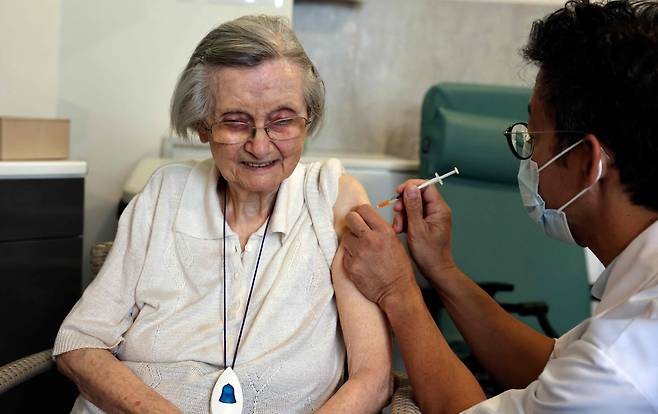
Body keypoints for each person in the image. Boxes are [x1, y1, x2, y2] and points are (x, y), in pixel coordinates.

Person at [53, 15, 392, 414]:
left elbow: (373, 378)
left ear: (308, 119)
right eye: (235, 122)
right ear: (202, 125)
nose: (261, 146)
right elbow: (78, 341)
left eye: (282, 121)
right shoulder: (166, 193)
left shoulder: (333, 197)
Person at [342, 1, 658, 413]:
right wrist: (442, 270)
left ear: (586, 162)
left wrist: (396, 291)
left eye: (533, 135)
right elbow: (550, 365)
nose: (527, 155)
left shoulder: (618, 364)